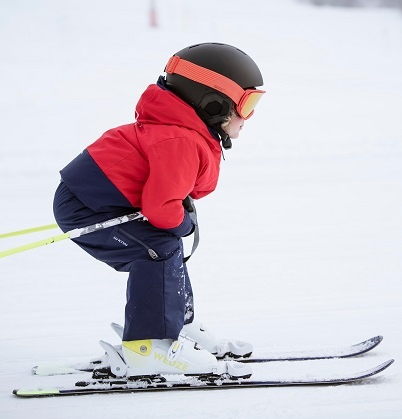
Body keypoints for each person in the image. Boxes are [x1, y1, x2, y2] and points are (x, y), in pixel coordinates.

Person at [52, 43, 265, 378]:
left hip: (95, 200)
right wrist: (183, 224)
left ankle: (176, 326)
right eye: (247, 104)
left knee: (165, 247)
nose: (249, 116)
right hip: (85, 208)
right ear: (212, 103)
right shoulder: (180, 140)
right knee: (159, 250)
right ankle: (147, 346)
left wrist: (178, 221)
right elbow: (160, 208)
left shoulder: (184, 134)